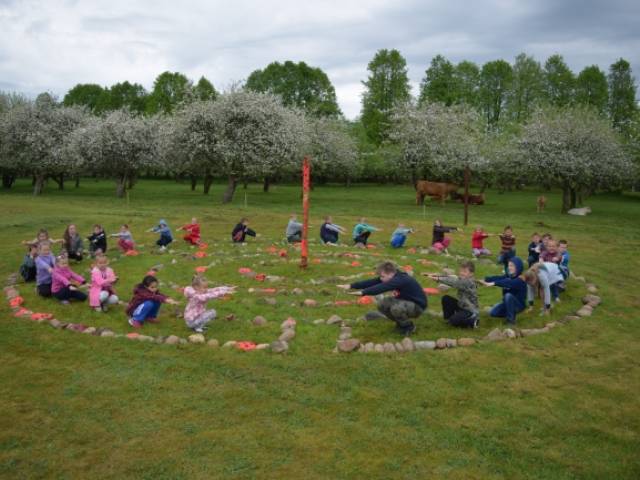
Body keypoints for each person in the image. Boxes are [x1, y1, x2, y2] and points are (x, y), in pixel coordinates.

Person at [337, 261, 427, 336]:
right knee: (382, 303)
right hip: (406, 302)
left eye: (382, 276)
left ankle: (408, 327)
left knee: (396, 308)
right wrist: (350, 286)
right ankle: (400, 324)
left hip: (417, 306)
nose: (381, 279)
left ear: (391, 273)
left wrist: (363, 292)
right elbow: (372, 282)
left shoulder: (400, 279)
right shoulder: (392, 277)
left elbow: (381, 287)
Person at [424, 261, 479, 328]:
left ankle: (472, 321)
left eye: (464, 271)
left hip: (469, 310)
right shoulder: (462, 279)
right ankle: (449, 319)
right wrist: (436, 275)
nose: (461, 273)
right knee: (446, 298)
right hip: (462, 305)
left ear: (471, 274)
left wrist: (438, 279)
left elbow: (454, 282)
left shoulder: (468, 282)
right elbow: (451, 277)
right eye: (461, 271)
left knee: (454, 321)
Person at [481, 256, 527, 326]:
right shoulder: (508, 276)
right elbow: (498, 278)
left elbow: (508, 283)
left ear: (518, 267)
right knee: (493, 313)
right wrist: (485, 279)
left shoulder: (520, 279)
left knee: (508, 296)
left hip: (518, 305)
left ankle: (511, 321)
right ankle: (509, 312)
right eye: (509, 265)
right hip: (506, 304)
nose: (509, 268)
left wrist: (493, 283)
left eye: (512, 266)